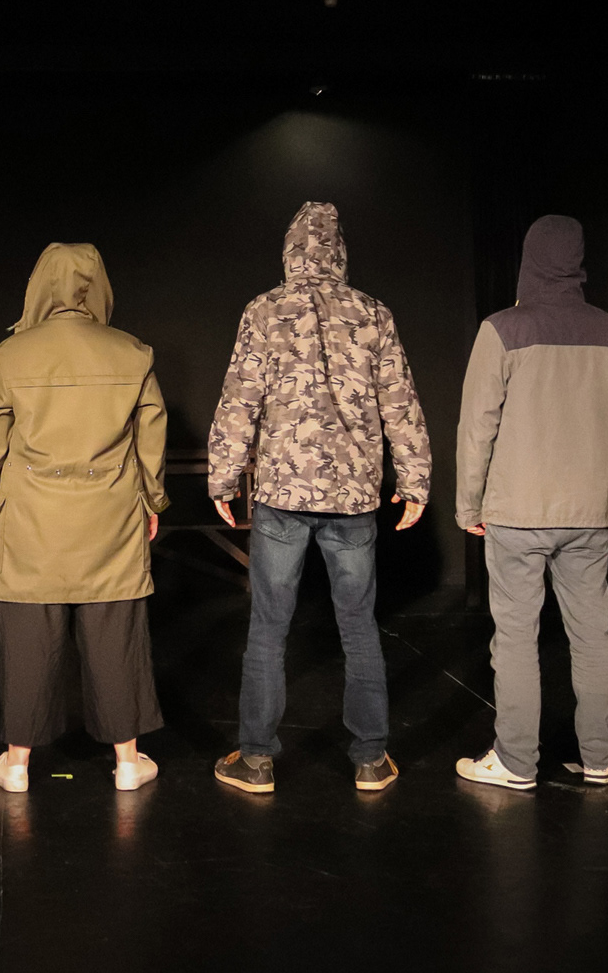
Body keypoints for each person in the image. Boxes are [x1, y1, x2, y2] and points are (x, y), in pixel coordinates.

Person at [209, 202, 431, 795]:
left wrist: (222, 478)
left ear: (290, 251)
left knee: (268, 627)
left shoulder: (264, 310)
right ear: (340, 252)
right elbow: (400, 402)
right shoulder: (373, 313)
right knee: (358, 626)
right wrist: (414, 481)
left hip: (281, 494)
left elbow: (240, 400)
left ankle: (256, 760)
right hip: (353, 499)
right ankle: (371, 760)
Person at [0, 243, 168, 793]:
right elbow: (151, 436)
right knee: (115, 632)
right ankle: (128, 763)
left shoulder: (9, 356)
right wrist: (153, 501)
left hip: (31, 516)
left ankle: (16, 765)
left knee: (28, 634)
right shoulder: (132, 352)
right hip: (111, 515)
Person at [454, 215, 608, 790]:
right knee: (593, 636)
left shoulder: (502, 329)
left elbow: (476, 427)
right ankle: (600, 757)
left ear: (529, 259)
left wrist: (468, 506)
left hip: (517, 511)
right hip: (591, 512)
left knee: (515, 637)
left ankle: (515, 762)